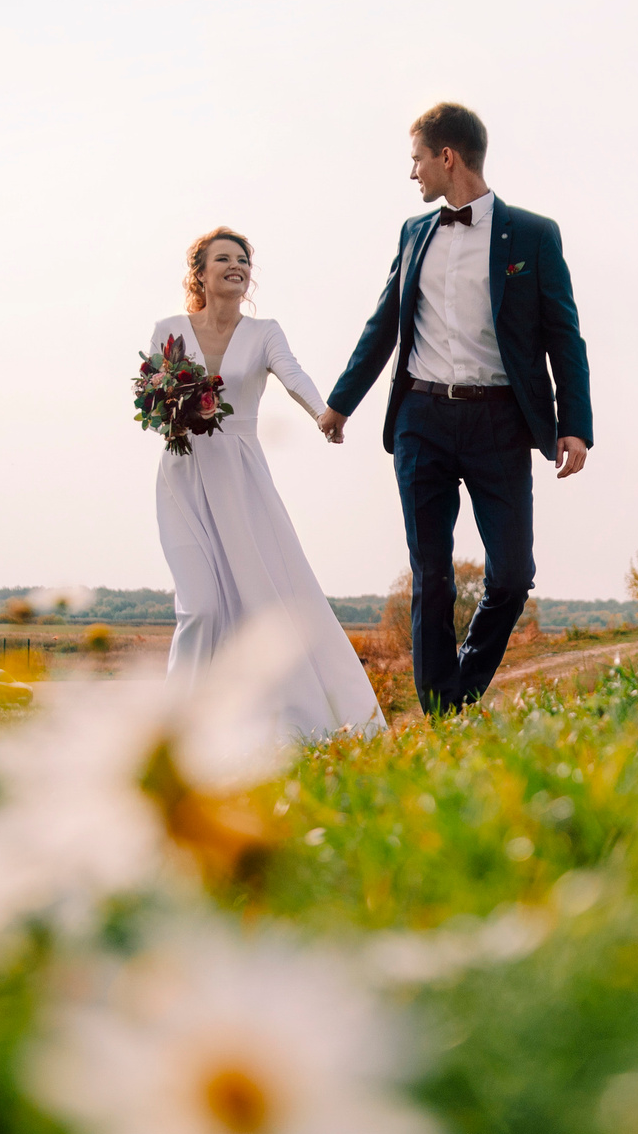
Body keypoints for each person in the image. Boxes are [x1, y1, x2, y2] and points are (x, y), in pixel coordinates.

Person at [317, 103, 592, 713]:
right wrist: (341, 403)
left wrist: (574, 425)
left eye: (416, 159)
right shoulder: (414, 234)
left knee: (513, 577)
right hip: (423, 421)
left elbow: (563, 336)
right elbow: (385, 322)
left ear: (447, 157)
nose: (411, 173)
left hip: (500, 423)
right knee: (432, 577)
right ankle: (441, 719)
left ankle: (457, 695)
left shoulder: (533, 235)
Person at [150, 227, 381, 738]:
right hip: (183, 476)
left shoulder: (265, 332)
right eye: (225, 259)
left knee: (268, 596)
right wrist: (172, 413)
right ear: (200, 273)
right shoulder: (168, 328)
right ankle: (176, 730)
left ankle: (295, 717)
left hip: (242, 481)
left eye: (244, 260)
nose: (237, 266)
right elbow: (156, 403)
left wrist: (325, 411)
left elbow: (292, 373)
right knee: (201, 607)